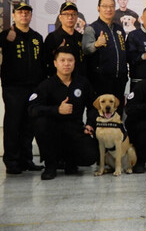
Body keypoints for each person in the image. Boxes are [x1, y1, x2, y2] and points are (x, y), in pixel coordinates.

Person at [28, 47, 98, 180]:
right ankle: (50, 166)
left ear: (75, 62)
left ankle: (70, 162)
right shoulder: (46, 85)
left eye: (70, 60)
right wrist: (56, 110)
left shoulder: (82, 83)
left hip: (75, 129)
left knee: (90, 155)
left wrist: (90, 124)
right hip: (53, 130)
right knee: (40, 122)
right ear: (55, 63)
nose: (66, 64)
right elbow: (32, 109)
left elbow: (94, 106)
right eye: (62, 60)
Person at [0, 2, 45, 174]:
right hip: (13, 88)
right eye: (20, 13)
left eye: (27, 13)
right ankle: (12, 162)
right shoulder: (7, 35)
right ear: (14, 15)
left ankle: (27, 160)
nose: (24, 15)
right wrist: (5, 38)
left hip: (34, 87)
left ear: (31, 16)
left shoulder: (36, 37)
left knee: (29, 125)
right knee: (13, 124)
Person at [82, 0, 128, 116]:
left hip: (119, 80)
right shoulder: (91, 29)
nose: (109, 9)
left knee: (117, 114)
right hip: (100, 81)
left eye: (112, 6)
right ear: (98, 8)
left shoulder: (119, 29)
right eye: (105, 6)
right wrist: (96, 44)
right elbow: (85, 49)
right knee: (99, 115)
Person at [44, 1, 87, 76]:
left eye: (73, 14)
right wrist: (56, 53)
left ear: (77, 17)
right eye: (66, 14)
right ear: (60, 17)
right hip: (59, 82)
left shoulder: (80, 37)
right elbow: (45, 62)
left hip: (79, 81)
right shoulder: (52, 37)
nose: (70, 17)